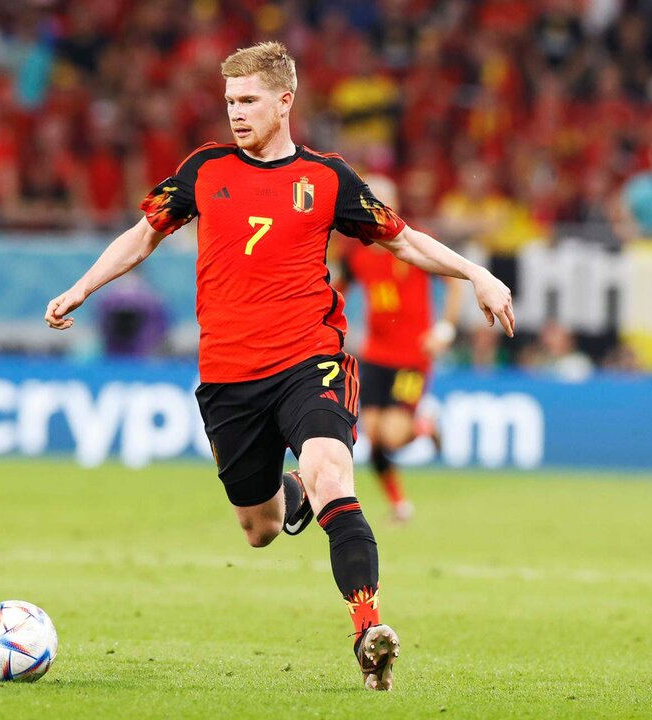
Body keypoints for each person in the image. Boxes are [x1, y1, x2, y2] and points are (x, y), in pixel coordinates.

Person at [44, 42, 514, 691]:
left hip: (309, 360)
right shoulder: (204, 170)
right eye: (230, 101)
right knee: (259, 529)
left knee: (331, 473)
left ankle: (367, 629)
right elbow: (144, 232)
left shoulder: (327, 180)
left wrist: (476, 272)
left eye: (249, 101)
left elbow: (403, 239)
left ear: (284, 100)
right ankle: (286, 498)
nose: (236, 113)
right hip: (229, 378)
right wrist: (82, 287)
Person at [337, 175, 462, 523]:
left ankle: (425, 427)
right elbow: (335, 293)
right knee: (372, 436)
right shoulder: (355, 252)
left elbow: (454, 284)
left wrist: (445, 329)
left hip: (412, 355)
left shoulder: (414, 241)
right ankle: (399, 504)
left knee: (390, 435)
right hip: (375, 354)